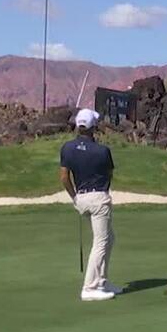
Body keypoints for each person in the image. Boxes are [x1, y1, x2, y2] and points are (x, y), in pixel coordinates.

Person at [60, 109, 120, 301]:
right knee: (101, 242)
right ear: (94, 127)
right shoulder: (103, 151)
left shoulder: (67, 148)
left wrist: (74, 198)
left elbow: (64, 177)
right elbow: (109, 175)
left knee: (109, 238)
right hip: (98, 198)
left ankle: (102, 281)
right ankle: (90, 288)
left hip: (81, 198)